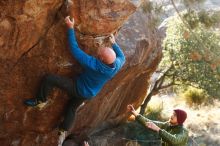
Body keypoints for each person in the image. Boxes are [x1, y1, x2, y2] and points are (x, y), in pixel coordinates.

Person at [24, 15, 125, 145]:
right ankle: (63, 129)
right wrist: (114, 44)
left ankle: (40, 100)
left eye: (99, 53)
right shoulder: (116, 65)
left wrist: (70, 28)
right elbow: (122, 57)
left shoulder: (94, 64)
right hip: (90, 93)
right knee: (71, 108)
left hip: (77, 87)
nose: (98, 52)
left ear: (101, 59)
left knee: (49, 79)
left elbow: (75, 50)